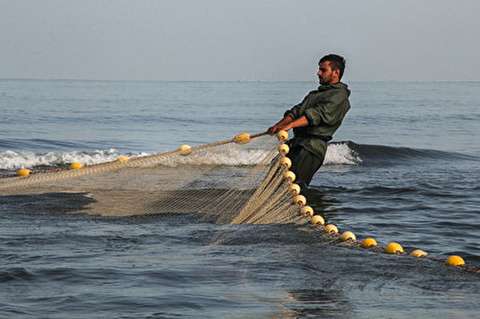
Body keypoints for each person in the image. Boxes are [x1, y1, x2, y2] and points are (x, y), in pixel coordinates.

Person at [268, 54, 351, 190]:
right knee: (275, 176)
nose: (318, 73)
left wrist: (290, 126)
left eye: (323, 70)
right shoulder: (314, 95)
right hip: (298, 144)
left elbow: (317, 115)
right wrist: (278, 125)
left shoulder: (339, 96)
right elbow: (296, 112)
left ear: (336, 73)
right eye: (319, 69)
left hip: (311, 149)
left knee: (294, 186)